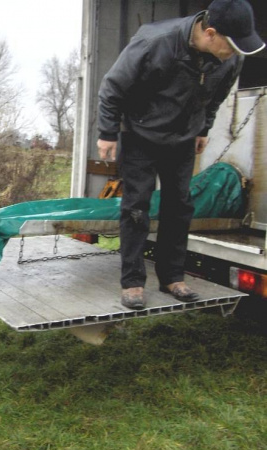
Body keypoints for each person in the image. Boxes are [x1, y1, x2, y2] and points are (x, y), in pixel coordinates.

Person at [97, 0, 265, 309]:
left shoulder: (229, 60)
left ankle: (172, 276)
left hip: (183, 138)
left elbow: (215, 97)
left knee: (179, 206)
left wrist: (204, 129)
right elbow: (113, 86)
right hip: (140, 134)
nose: (235, 53)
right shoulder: (154, 41)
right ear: (211, 34)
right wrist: (107, 132)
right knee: (137, 206)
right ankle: (132, 282)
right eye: (231, 46)